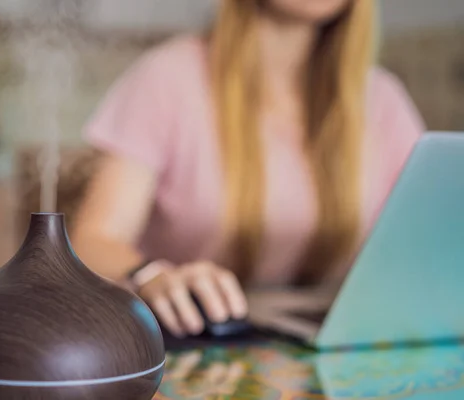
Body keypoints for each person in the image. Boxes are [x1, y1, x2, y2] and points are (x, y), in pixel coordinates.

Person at [71, 0, 425, 338]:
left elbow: (426, 241)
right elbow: (92, 242)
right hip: (192, 339)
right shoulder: (167, 79)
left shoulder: (381, 99)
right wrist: (150, 275)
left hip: (330, 342)